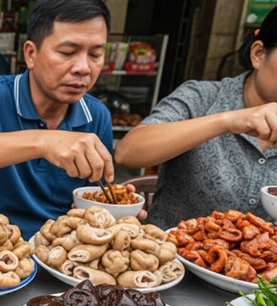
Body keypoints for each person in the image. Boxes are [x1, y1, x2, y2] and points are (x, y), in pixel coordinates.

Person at [0, 0, 116, 239]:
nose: (83, 68)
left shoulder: (97, 115)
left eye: (95, 55)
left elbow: (95, 194)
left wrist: (114, 211)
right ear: (31, 54)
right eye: (67, 53)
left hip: (60, 254)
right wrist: (44, 143)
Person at [115, 6, 277, 229]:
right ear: (258, 54)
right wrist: (226, 121)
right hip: (170, 258)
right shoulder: (202, 98)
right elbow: (128, 152)